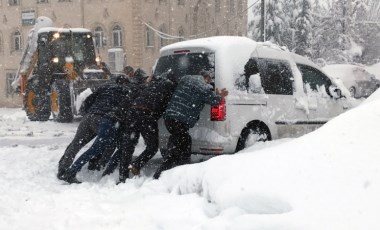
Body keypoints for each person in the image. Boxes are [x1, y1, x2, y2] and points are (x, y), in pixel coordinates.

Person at [57, 75, 137, 184]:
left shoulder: (104, 87)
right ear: (124, 83)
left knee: (76, 143)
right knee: (107, 144)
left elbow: (88, 99)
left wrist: (89, 112)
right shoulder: (124, 91)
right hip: (103, 119)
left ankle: (62, 168)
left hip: (89, 117)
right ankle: (97, 165)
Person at [152, 71, 228, 179]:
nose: (209, 83)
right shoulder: (202, 86)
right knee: (180, 146)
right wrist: (220, 96)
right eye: (209, 81)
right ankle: (161, 175)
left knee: (181, 142)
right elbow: (214, 100)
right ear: (205, 78)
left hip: (169, 117)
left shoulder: (185, 79)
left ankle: (179, 168)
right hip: (179, 120)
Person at [114, 70, 178, 183]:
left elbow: (132, 97)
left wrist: (125, 114)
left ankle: (122, 178)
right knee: (152, 147)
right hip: (146, 115)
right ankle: (136, 164)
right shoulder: (169, 88)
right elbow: (162, 107)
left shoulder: (150, 84)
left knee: (128, 147)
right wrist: (153, 118)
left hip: (132, 113)